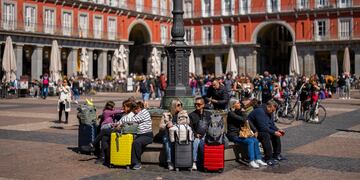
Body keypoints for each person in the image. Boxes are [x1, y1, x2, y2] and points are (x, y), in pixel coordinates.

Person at [227, 98, 267, 168]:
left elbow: (247, 121)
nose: (240, 104)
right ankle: (251, 161)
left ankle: (258, 159)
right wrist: (243, 112)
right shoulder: (231, 114)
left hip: (241, 134)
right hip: (233, 135)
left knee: (255, 140)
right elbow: (244, 119)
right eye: (238, 103)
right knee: (250, 141)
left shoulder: (237, 111)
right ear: (233, 105)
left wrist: (255, 130)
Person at [90, 100, 133, 164]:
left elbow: (126, 124)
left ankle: (94, 144)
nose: (123, 108)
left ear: (129, 108)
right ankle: (103, 158)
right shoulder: (107, 112)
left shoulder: (130, 115)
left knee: (104, 131)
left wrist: (117, 124)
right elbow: (119, 119)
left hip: (122, 131)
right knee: (104, 137)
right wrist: (116, 124)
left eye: (124, 107)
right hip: (117, 129)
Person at [248, 100, 286, 166]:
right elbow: (262, 127)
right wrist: (274, 132)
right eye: (272, 110)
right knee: (266, 135)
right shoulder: (260, 111)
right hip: (253, 132)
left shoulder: (269, 112)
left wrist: (278, 130)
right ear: (268, 107)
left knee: (275, 135)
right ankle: (268, 158)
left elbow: (271, 125)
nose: (273, 112)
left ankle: (276, 155)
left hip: (260, 130)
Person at [117, 101, 153, 170]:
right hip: (139, 135)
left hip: (147, 135)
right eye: (134, 109)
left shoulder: (144, 112)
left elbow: (132, 120)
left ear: (140, 107)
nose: (135, 111)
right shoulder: (138, 113)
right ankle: (128, 160)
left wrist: (123, 120)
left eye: (136, 109)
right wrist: (118, 123)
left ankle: (137, 163)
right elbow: (126, 118)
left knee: (136, 142)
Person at [159, 99, 188, 170]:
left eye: (181, 104)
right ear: (173, 106)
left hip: (179, 134)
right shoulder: (166, 115)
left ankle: (180, 162)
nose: (180, 106)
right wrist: (166, 125)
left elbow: (187, 122)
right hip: (168, 134)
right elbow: (160, 126)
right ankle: (169, 162)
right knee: (167, 141)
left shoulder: (183, 113)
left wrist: (176, 123)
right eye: (178, 105)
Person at [188, 97, 212, 170]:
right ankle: (194, 162)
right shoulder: (191, 115)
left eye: (199, 104)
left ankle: (205, 162)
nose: (196, 106)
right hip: (197, 135)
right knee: (196, 142)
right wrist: (195, 134)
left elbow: (211, 126)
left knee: (201, 144)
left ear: (203, 105)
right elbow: (190, 127)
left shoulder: (208, 114)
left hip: (207, 135)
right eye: (195, 104)